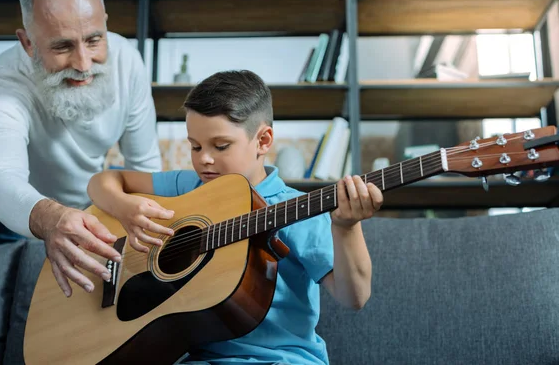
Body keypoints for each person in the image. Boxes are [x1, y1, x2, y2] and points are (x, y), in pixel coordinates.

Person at [87, 70, 383, 364]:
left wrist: (346, 227)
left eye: (221, 146)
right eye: (195, 146)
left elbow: (354, 297)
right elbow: (104, 181)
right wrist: (125, 209)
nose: (204, 159)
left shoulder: (297, 209)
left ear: (263, 140)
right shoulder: (189, 187)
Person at [0, 0, 162, 297]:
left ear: (105, 21)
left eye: (93, 39)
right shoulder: (3, 82)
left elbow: (144, 165)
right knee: (21, 308)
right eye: (62, 46)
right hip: (19, 216)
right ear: (28, 42)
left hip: (88, 211)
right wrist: (49, 217)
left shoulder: (128, 63)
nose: (84, 64)